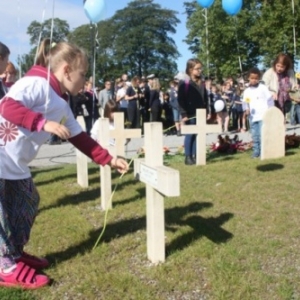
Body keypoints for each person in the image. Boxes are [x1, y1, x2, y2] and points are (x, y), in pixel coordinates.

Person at [0, 39, 128, 289]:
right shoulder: (35, 83)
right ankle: (5, 266)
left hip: (15, 166)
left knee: (28, 204)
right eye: (82, 74)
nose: (85, 81)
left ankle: (13, 252)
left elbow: (80, 137)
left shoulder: (61, 103)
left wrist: (109, 159)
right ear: (67, 70)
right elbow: (6, 107)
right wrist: (41, 123)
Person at [178, 58, 209, 165]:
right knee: (190, 134)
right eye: (197, 69)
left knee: (198, 134)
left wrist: (207, 111)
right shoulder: (185, 83)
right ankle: (188, 156)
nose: (200, 70)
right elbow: (181, 100)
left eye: (201, 68)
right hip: (190, 113)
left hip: (200, 112)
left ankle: (196, 155)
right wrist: (184, 114)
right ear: (190, 69)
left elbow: (205, 98)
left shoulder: (202, 82)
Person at [243, 67, 274, 158]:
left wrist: (270, 111)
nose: (254, 80)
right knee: (255, 136)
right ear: (248, 78)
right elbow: (245, 102)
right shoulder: (247, 91)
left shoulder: (263, 88)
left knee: (262, 135)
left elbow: (269, 100)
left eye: (256, 78)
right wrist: (246, 109)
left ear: (259, 78)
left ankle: (264, 151)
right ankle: (256, 151)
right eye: (252, 78)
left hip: (263, 116)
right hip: (253, 117)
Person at [262, 53, 297, 121]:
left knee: (283, 117)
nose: (279, 68)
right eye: (278, 66)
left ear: (286, 66)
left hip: (287, 99)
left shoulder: (290, 72)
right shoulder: (269, 72)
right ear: (275, 64)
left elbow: (294, 85)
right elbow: (263, 87)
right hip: (274, 100)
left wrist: (294, 89)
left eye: (282, 67)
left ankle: (282, 129)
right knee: (275, 118)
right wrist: (272, 92)